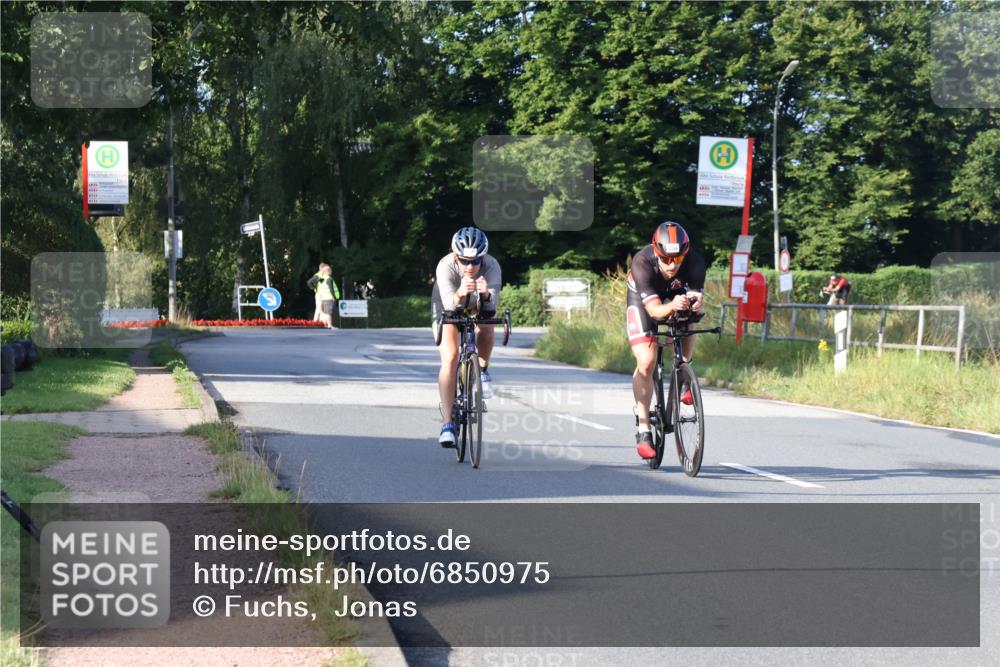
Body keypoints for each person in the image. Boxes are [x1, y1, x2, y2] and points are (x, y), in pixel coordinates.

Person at [626, 221, 706, 461]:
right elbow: (654, 311)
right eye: (666, 259)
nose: (672, 265)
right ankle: (643, 428)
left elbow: (696, 295)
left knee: (689, 315)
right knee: (647, 361)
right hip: (644, 302)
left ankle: (684, 373)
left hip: (674, 296)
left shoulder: (695, 261)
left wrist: (696, 301)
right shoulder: (642, 263)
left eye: (677, 259)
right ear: (657, 253)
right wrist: (671, 306)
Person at [431, 227, 502, 447]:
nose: (470, 267)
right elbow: (450, 308)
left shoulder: (492, 266)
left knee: (487, 325)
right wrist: (461, 292)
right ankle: (447, 425)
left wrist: (486, 295)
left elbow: (490, 310)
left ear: (483, 258)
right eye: (464, 261)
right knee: (450, 356)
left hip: (477, 305)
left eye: (476, 261)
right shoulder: (445, 266)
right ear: (455, 257)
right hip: (447, 305)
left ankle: (483, 370)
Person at [306, 263, 341, 328]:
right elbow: (309, 282)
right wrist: (315, 289)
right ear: (322, 268)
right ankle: (316, 323)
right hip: (321, 294)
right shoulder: (319, 275)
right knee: (319, 309)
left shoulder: (322, 276)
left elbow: (322, 285)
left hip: (323, 294)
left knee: (323, 310)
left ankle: (323, 323)